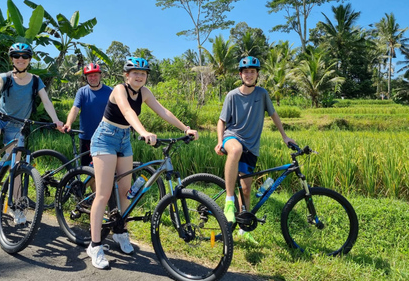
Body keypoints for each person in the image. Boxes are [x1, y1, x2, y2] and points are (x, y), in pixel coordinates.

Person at [87, 57, 199, 269]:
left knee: (126, 191)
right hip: (105, 138)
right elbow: (128, 112)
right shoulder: (119, 90)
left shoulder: (145, 93)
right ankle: (95, 245)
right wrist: (144, 131)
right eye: (135, 73)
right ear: (126, 75)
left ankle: (120, 232)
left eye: (143, 74)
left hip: (124, 139)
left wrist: (185, 128)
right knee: (103, 194)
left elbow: (163, 111)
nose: (139, 76)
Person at [0, 43, 64, 224]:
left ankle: (15, 205)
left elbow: (47, 102)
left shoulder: (36, 80)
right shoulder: (5, 77)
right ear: (12, 59)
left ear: (29, 59)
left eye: (24, 56)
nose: (20, 59)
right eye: (16, 56)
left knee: (17, 166)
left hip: (18, 125)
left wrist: (56, 120)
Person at [214, 56, 295, 245]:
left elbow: (273, 114)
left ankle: (243, 230)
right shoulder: (232, 95)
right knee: (235, 150)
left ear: (257, 74)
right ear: (240, 75)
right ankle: (228, 201)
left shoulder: (262, 94)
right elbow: (222, 121)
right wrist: (219, 141)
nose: (249, 75)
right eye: (246, 72)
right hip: (232, 137)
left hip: (252, 146)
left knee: (246, 189)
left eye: (253, 71)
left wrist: (285, 137)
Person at [63, 63, 112, 166]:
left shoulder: (110, 91)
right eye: (90, 75)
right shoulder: (82, 92)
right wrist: (68, 123)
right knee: (86, 170)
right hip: (86, 136)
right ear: (86, 77)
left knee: (105, 167)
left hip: (106, 136)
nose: (92, 78)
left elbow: (121, 109)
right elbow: (75, 108)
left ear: (100, 75)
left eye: (95, 75)